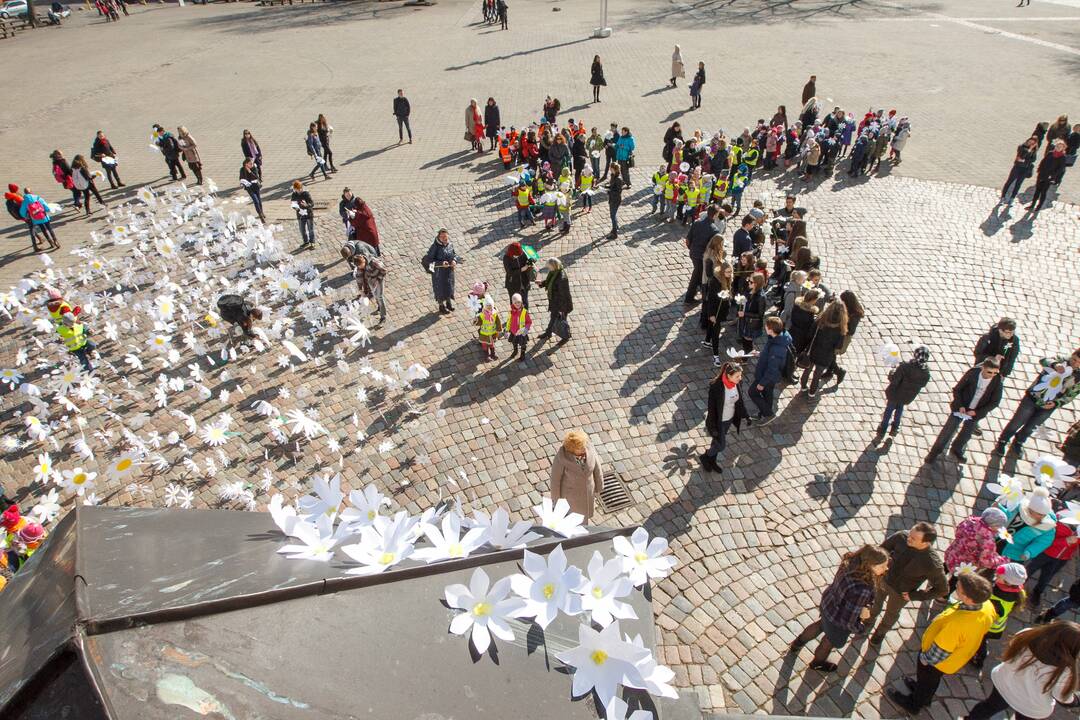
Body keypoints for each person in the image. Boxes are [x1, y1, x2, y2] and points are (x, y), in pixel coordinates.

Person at [886, 574, 995, 714]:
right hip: (953, 659)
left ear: (968, 599)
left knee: (927, 679)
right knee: (930, 682)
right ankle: (924, 696)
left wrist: (925, 660)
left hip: (937, 662)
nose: (955, 587)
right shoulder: (986, 605)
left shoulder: (957, 625)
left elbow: (938, 652)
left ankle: (914, 704)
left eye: (958, 588)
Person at [789, 544, 890, 673]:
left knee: (820, 625)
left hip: (828, 603)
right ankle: (817, 663)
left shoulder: (849, 563)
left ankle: (797, 644)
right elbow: (849, 621)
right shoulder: (862, 589)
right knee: (828, 642)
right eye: (882, 566)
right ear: (870, 565)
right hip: (838, 619)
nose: (886, 568)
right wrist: (861, 627)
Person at [962, 621, 1079, 720]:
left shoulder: (1027, 634)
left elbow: (1011, 650)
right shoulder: (1065, 671)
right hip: (1030, 706)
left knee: (989, 707)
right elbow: (1062, 697)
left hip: (1005, 683)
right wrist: (1075, 701)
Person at [863, 523, 949, 648]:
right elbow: (883, 549)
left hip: (901, 593)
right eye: (910, 534)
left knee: (891, 614)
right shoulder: (901, 536)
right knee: (875, 601)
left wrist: (915, 595)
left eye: (913, 538)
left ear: (925, 543)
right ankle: (869, 620)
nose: (908, 538)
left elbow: (942, 589)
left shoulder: (932, 563)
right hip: (884, 579)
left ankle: (880, 632)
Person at [995, 349, 1080, 456]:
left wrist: (1056, 403)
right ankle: (1003, 440)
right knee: (1016, 422)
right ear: (1072, 355)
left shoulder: (1079, 376)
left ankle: (1019, 441)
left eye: (1079, 363)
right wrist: (1055, 365)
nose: (1075, 364)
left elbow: (1070, 395)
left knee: (1031, 427)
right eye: (1074, 359)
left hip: (1048, 406)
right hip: (1033, 397)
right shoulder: (1062, 360)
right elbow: (1044, 360)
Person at [925, 358, 1003, 464]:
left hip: (976, 412)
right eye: (989, 372)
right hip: (961, 407)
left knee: (966, 434)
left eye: (995, 373)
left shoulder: (997, 381)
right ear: (983, 368)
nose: (992, 375)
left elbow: (995, 402)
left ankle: (957, 449)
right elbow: (957, 389)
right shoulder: (973, 374)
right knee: (947, 431)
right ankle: (934, 453)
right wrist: (960, 405)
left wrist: (976, 412)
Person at [971, 563, 1028, 669]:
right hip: (997, 626)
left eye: (998, 576)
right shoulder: (1016, 591)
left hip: (989, 627)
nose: (996, 576)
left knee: (980, 641)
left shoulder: (998, 598)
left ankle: (979, 658)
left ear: (1007, 582)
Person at [701, 362, 751, 473]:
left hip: (729, 419)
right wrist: (713, 428)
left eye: (740, 375)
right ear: (729, 376)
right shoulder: (716, 387)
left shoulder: (736, 384)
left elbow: (740, 402)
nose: (740, 378)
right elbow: (712, 409)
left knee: (716, 443)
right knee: (721, 445)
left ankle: (712, 461)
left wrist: (746, 416)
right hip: (719, 422)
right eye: (737, 376)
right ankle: (705, 456)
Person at [878, 345, 931, 437]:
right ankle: (895, 427)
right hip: (907, 396)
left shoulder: (905, 367)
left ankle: (883, 428)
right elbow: (923, 384)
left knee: (889, 410)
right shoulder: (926, 373)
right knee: (900, 409)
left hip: (895, 393)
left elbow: (894, 379)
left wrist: (891, 373)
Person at [550, 430, 604, 521]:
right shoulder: (561, 459)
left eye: (584, 445)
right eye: (580, 447)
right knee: (574, 520)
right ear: (572, 449)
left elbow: (597, 468)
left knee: (584, 517)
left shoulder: (589, 449)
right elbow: (555, 481)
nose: (584, 449)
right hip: (571, 498)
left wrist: (599, 485)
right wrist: (556, 501)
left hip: (587, 494)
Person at [799, 299, 847, 398]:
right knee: (817, 375)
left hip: (813, 350)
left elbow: (810, 334)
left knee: (807, 370)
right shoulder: (841, 328)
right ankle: (811, 394)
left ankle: (803, 387)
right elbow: (838, 346)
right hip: (826, 355)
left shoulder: (821, 320)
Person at [944, 508, 1008, 579]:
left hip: (952, 554)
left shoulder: (969, 521)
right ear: (993, 526)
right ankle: (941, 589)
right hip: (965, 566)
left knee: (943, 568)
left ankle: (933, 581)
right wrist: (1001, 560)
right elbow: (985, 561)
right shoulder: (987, 541)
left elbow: (957, 534)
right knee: (955, 580)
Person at [1027, 519, 1080, 606]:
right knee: (1030, 570)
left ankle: (1037, 592)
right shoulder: (1057, 525)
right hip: (1045, 554)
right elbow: (1046, 541)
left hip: (1061, 559)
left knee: (1047, 577)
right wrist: (1065, 541)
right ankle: (1017, 585)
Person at [1000, 486, 1057, 564]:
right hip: (998, 540)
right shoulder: (1020, 509)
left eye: (1044, 515)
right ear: (1030, 509)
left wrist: (1029, 552)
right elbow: (1007, 514)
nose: (1042, 516)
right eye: (1039, 514)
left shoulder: (1048, 528)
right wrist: (999, 508)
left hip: (1014, 554)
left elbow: (1042, 542)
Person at [750, 317, 791, 422]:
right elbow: (769, 356)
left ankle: (768, 414)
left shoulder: (777, 348)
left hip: (767, 376)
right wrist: (760, 354)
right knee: (767, 394)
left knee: (752, 392)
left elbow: (772, 368)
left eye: (766, 326)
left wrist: (762, 383)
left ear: (771, 330)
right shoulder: (776, 338)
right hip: (769, 376)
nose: (765, 327)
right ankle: (764, 412)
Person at [683, 204, 723, 305]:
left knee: (699, 273)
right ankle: (689, 298)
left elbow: (688, 240)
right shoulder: (714, 230)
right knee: (696, 275)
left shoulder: (697, 223)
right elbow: (713, 248)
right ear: (715, 215)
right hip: (703, 257)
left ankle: (699, 292)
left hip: (693, 253)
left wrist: (692, 249)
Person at [421, 228, 462, 314]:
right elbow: (429, 260)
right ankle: (441, 306)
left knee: (449, 286)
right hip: (439, 273)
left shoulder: (450, 244)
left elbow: (454, 254)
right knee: (440, 289)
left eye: (446, 237)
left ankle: (448, 303)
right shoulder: (434, 247)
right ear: (439, 237)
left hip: (449, 272)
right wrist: (441, 263)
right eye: (442, 237)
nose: (444, 239)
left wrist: (454, 260)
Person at [536, 257, 572, 344]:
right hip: (555, 302)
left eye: (549, 267)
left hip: (562, 305)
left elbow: (563, 295)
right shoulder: (554, 272)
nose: (548, 269)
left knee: (562, 321)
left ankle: (566, 336)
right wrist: (542, 283)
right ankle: (548, 333)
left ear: (554, 266)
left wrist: (561, 309)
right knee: (553, 318)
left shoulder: (562, 278)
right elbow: (551, 282)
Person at [1027, 140, 1067, 214]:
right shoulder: (1050, 153)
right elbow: (1043, 161)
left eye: (1060, 147)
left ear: (1063, 148)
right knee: (1037, 190)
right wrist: (1039, 170)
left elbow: (1060, 169)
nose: (1058, 148)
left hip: (1049, 177)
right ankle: (1032, 205)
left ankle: (1039, 206)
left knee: (1043, 192)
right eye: (1057, 146)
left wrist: (1052, 176)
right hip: (1042, 174)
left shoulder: (1062, 157)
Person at [1000, 136, 1039, 206]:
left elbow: (1033, 160)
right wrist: (1029, 151)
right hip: (1017, 167)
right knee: (1009, 181)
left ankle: (1012, 198)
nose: (1031, 143)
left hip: (1025, 169)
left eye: (1033, 142)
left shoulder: (1034, 150)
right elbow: (1022, 156)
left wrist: (1026, 159)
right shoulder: (1021, 147)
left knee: (1018, 184)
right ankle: (1003, 197)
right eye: (1030, 141)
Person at [736, 273, 766, 354]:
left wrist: (745, 314)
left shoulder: (761, 297)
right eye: (749, 280)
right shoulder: (750, 289)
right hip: (744, 321)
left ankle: (745, 358)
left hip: (751, 324)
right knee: (744, 340)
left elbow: (760, 315)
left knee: (747, 342)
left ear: (757, 284)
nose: (748, 282)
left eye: (751, 282)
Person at [503, 241, 534, 308]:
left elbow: (527, 261)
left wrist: (530, 263)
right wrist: (521, 269)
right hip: (513, 284)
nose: (518, 256)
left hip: (524, 282)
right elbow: (509, 272)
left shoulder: (522, 253)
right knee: (515, 302)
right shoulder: (506, 258)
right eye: (516, 255)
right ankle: (515, 316)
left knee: (525, 301)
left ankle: (525, 315)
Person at [474, 296, 503, 361]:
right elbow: (479, 323)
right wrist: (476, 320)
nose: (489, 307)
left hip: (492, 332)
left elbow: (498, 322)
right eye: (487, 305)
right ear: (484, 306)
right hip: (484, 333)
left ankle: (493, 354)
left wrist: (499, 329)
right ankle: (486, 355)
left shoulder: (495, 313)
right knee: (484, 345)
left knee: (492, 344)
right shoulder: (482, 315)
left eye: (490, 305)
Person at [290, 180, 316, 248]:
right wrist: (296, 208)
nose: (299, 190)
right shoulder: (294, 194)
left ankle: (312, 242)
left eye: (300, 189)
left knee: (310, 229)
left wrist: (306, 205)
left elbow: (312, 204)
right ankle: (306, 241)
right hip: (300, 215)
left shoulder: (306, 194)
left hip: (308, 214)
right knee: (302, 230)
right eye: (297, 189)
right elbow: (293, 204)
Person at [506, 293, 531, 362]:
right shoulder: (511, 311)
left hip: (521, 332)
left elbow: (529, 322)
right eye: (515, 302)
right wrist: (507, 330)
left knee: (523, 344)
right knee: (514, 342)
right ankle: (515, 351)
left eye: (519, 302)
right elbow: (509, 321)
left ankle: (522, 354)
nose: (517, 304)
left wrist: (526, 328)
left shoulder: (524, 312)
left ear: (521, 302)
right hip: (513, 332)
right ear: (513, 303)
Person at [239, 158, 265, 222]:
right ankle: (260, 215)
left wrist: (249, 171)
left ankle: (262, 212)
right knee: (256, 201)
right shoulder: (242, 169)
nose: (252, 164)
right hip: (249, 188)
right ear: (246, 164)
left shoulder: (254, 168)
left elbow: (256, 177)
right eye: (250, 163)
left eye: (252, 163)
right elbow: (241, 177)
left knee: (259, 200)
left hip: (256, 186)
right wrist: (242, 183)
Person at [606, 161, 623, 239]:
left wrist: (609, 192)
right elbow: (612, 186)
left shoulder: (618, 179)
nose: (609, 169)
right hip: (612, 198)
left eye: (610, 168)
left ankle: (614, 233)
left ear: (614, 169)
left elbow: (618, 191)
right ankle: (616, 226)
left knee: (612, 215)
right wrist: (607, 187)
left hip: (616, 200)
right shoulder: (613, 175)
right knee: (613, 214)